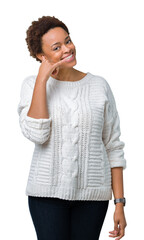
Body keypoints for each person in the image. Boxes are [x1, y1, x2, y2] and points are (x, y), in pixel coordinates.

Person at [17, 15, 127, 240]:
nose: (67, 49)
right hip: (46, 197)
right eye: (56, 47)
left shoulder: (99, 86)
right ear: (41, 55)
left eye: (68, 41)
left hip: (93, 199)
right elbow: (38, 134)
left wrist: (119, 203)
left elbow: (113, 147)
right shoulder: (31, 85)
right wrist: (42, 80)